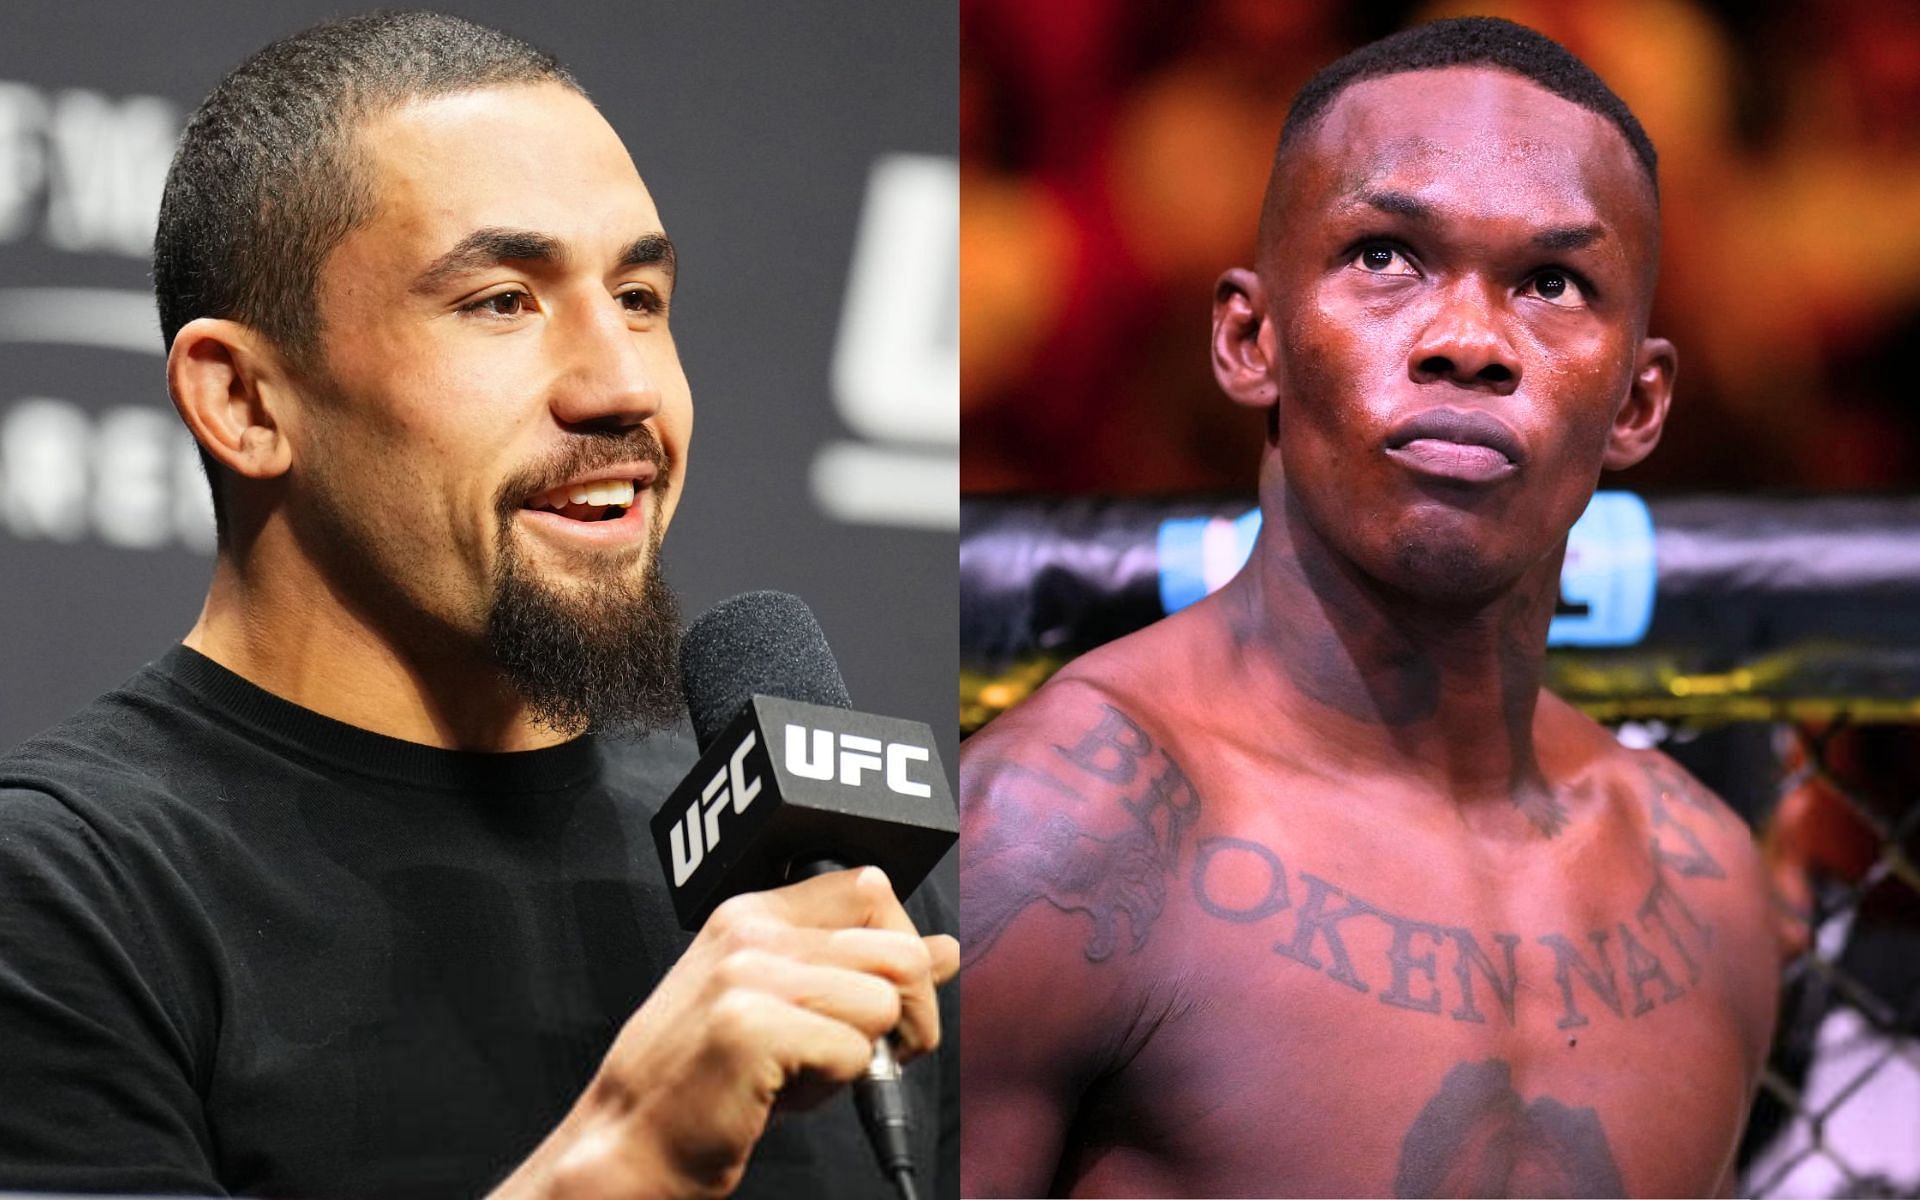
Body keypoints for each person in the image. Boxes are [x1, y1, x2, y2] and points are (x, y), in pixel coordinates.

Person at [0, 12, 956, 1199]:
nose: (624, 386)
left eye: (641, 296)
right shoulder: (59, 895)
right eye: (503, 300)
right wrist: (620, 1165)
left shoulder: (830, 874)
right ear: (244, 401)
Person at [960, 17, 1777, 1198]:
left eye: (1552, 282)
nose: (1467, 342)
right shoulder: (1061, 837)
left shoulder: (1705, 891)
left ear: (1639, 404)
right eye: (1386, 258)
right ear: (1251, 340)